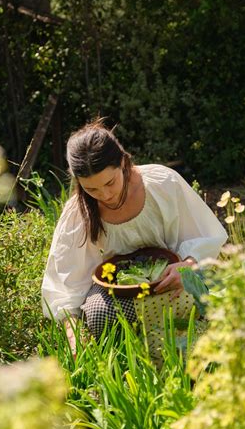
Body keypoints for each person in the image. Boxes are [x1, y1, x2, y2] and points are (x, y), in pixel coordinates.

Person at [41, 119, 227, 354]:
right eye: (92, 189)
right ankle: (133, 354)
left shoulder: (162, 183)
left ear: (123, 162)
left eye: (110, 182)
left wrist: (187, 266)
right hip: (121, 292)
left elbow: (205, 235)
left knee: (196, 300)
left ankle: (181, 350)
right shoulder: (79, 214)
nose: (105, 195)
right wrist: (73, 333)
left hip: (172, 280)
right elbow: (66, 281)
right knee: (98, 316)